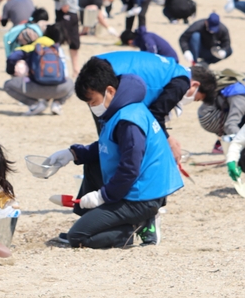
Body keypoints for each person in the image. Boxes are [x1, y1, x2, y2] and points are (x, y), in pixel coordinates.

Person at [46, 58, 184, 248]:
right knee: (93, 163)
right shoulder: (121, 108)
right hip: (137, 189)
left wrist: (102, 196)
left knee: (77, 237)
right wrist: (73, 154)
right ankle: (99, 221)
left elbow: (130, 170)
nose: (92, 107)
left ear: (110, 91)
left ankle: (130, 229)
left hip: (142, 196)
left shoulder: (129, 121)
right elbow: (107, 147)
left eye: (93, 101)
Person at [92, 51, 191, 161]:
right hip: (109, 76)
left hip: (95, 67)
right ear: (196, 85)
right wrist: (169, 140)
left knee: (107, 142)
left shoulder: (169, 67)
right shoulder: (182, 82)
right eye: (197, 98)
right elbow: (156, 115)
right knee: (115, 146)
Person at [4, 25, 74, 116]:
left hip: (35, 88)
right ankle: (57, 104)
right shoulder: (57, 48)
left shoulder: (33, 47)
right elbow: (65, 73)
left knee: (8, 85)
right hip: (59, 89)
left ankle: (34, 104)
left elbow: (12, 58)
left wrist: (11, 72)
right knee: (71, 83)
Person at [191, 65, 245, 152]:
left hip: (209, 111)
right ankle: (224, 143)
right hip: (209, 117)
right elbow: (230, 124)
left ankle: (223, 141)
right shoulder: (242, 95)